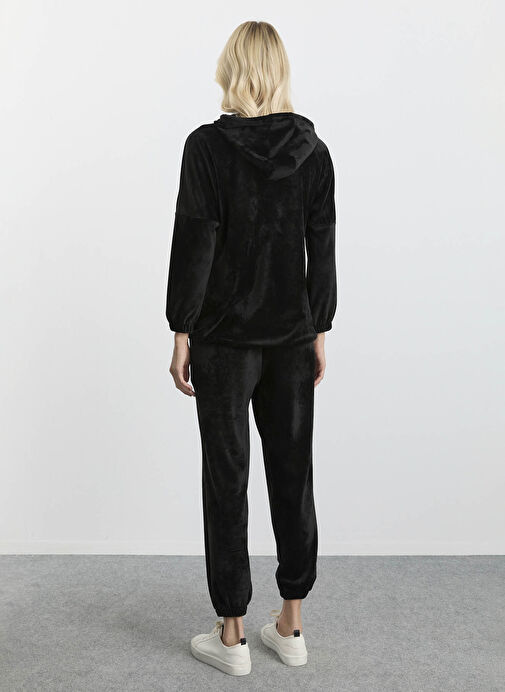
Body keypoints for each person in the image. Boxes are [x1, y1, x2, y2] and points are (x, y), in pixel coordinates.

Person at [165, 20, 336, 676]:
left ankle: (232, 634)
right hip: (291, 338)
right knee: (293, 473)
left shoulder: (206, 148)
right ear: (280, 71)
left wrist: (180, 329)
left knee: (226, 477)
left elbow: (195, 242)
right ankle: (291, 626)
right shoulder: (313, 151)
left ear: (230, 69)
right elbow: (321, 245)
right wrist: (319, 329)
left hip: (223, 342)